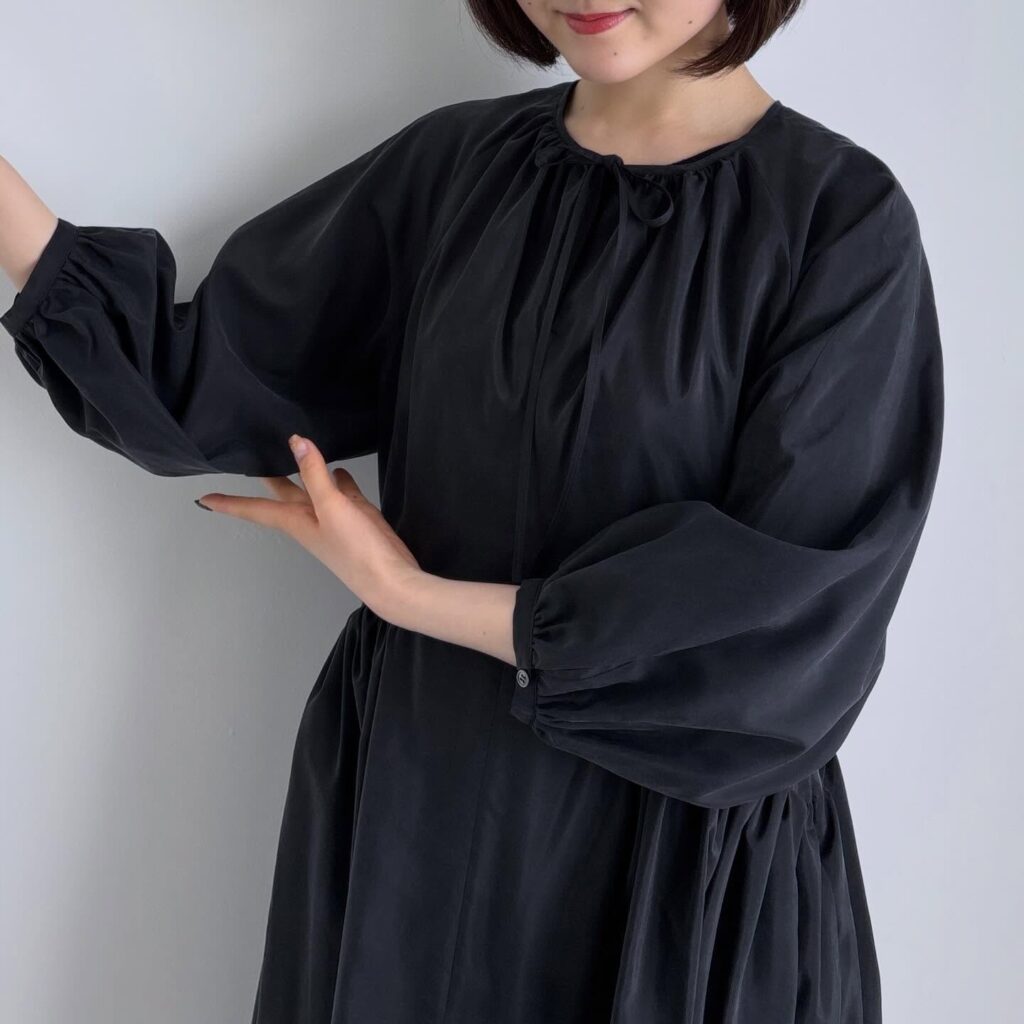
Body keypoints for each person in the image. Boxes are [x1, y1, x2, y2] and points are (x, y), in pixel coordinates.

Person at [0, 2, 943, 1022]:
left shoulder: (837, 222)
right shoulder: (458, 173)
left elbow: (785, 633)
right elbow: (203, 372)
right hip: (421, 819)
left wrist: (410, 596)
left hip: (670, 864)